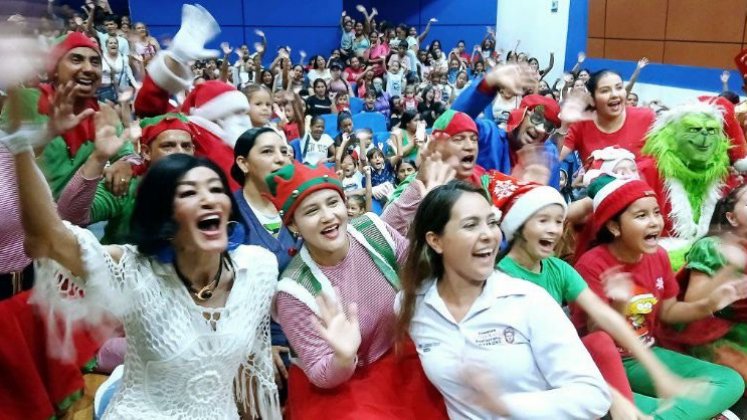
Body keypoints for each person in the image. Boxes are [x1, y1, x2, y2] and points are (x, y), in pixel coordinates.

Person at [4, 108, 280, 418]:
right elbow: (50, 236)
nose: (209, 199)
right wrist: (21, 146)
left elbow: (251, 366)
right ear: (165, 217)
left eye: (216, 189)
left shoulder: (258, 267)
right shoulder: (135, 270)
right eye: (189, 193)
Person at [396, 180, 611, 419]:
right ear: (436, 241)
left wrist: (506, 405)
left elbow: (594, 396)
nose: (488, 235)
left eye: (492, 222)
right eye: (470, 225)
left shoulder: (528, 300)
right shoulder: (413, 305)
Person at [489, 172, 694, 418]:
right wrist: (610, 393)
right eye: (543, 221)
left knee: (599, 342)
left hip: (570, 364)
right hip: (532, 375)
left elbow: (605, 319)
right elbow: (528, 358)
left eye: (558, 221)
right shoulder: (502, 279)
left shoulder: (559, 269)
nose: (554, 230)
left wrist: (659, 373)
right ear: (518, 227)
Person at [268, 160, 452, 419]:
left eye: (333, 203)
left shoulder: (372, 230)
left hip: (399, 356)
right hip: (341, 385)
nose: (328, 216)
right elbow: (321, 371)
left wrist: (437, 216)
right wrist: (343, 358)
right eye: (311, 211)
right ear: (294, 226)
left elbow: (419, 272)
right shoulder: (294, 292)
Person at [573, 175, 747, 419]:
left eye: (656, 212)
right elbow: (596, 335)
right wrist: (620, 303)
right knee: (617, 404)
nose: (655, 222)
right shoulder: (592, 265)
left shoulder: (658, 256)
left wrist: (711, 303)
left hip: (646, 353)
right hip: (605, 363)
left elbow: (669, 311)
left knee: (730, 381)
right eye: (641, 216)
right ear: (614, 227)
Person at [0, 31, 137, 199]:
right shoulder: (25, 101)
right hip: (20, 213)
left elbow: (128, 154)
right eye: (76, 59)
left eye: (95, 62)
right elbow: (5, 164)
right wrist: (47, 133)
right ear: (55, 69)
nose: (88, 69)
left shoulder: (104, 112)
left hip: (75, 216)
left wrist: (126, 164)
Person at [134, 5, 249, 190]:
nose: (241, 119)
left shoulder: (257, 142)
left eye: (243, 112)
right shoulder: (189, 128)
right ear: (212, 112)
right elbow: (147, 106)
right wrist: (176, 58)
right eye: (232, 112)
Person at [57, 113, 194, 245]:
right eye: (168, 146)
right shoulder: (125, 183)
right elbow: (69, 217)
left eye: (186, 146)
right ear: (146, 152)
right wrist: (98, 158)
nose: (180, 153)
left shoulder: (204, 183)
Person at [660, 183, 747, 387]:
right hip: (724, 334)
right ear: (732, 218)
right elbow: (694, 300)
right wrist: (727, 272)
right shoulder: (712, 247)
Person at [559, 69, 656, 162]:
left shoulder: (646, 117)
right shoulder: (581, 125)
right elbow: (558, 157)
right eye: (605, 90)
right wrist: (564, 125)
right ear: (592, 100)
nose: (614, 94)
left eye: (619, 88)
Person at [98, 37, 137, 103]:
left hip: (123, 91)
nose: (113, 44)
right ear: (106, 45)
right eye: (110, 43)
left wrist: (136, 86)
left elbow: (130, 75)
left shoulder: (124, 58)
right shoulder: (101, 58)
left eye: (115, 43)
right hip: (107, 92)